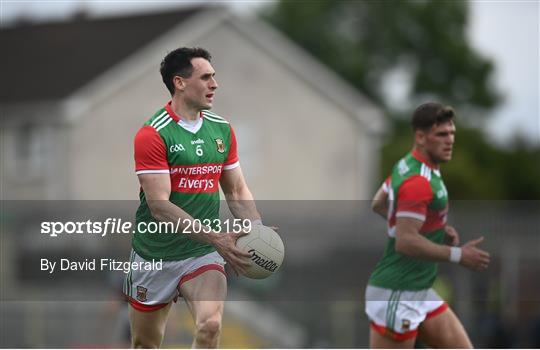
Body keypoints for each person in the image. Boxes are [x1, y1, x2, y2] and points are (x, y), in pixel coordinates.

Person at [123, 47, 261, 348]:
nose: (215, 84)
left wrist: (255, 230)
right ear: (180, 82)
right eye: (206, 77)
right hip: (154, 253)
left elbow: (236, 189)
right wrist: (216, 238)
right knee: (145, 344)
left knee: (210, 325)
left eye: (214, 77)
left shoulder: (221, 130)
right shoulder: (153, 134)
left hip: (202, 254)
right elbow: (160, 206)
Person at [365, 102, 490, 348]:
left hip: (418, 290)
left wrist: (433, 231)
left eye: (452, 133)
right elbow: (405, 242)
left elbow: (378, 203)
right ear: (420, 137)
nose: (450, 140)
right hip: (397, 293)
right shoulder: (418, 182)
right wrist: (458, 255)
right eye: (442, 134)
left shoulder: (408, 164)